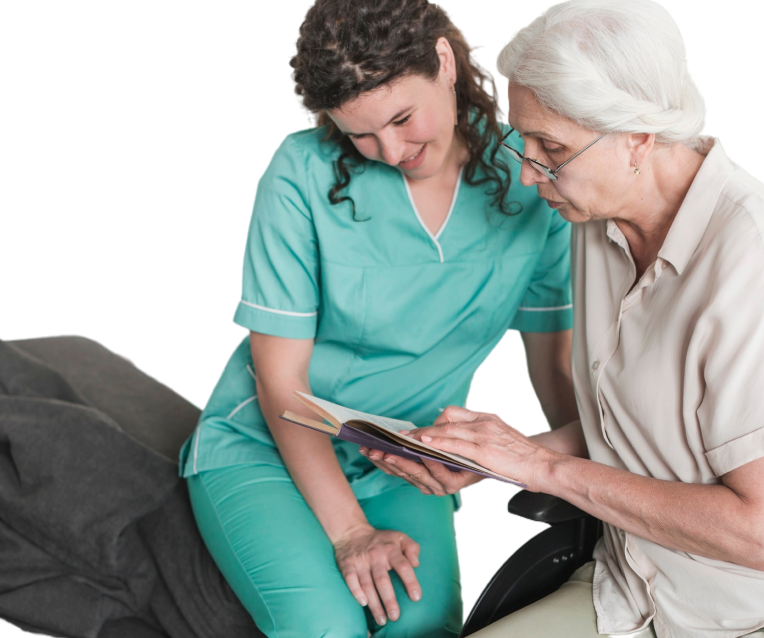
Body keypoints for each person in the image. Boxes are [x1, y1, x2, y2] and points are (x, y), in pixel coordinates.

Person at [361, 1, 764, 636]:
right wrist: (498, 454)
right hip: (635, 582)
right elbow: (642, 430)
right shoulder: (597, 215)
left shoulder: (759, 256)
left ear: (639, 136)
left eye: (552, 146)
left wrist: (545, 469)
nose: (527, 171)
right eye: (525, 139)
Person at [176, 1, 579, 636]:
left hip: (406, 463)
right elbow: (281, 384)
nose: (389, 150)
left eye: (401, 117)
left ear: (444, 64)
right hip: (264, 451)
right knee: (324, 627)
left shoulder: (529, 176)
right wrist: (350, 533)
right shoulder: (300, 173)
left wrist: (579, 476)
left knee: (425, 629)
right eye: (360, 134)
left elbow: (553, 359)